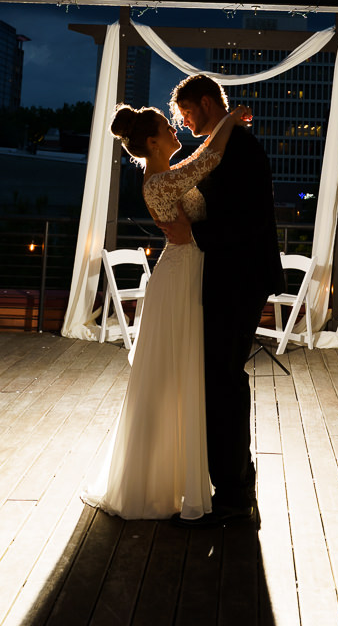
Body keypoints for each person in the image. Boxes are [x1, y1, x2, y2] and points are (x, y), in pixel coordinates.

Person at [81, 100, 248, 521]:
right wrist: (229, 120)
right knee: (173, 375)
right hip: (180, 277)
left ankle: (174, 475)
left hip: (187, 270)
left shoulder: (164, 176)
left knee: (180, 373)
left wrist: (222, 125)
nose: (177, 130)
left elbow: (196, 159)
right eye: (167, 128)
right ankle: (155, 481)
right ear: (153, 143)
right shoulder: (159, 183)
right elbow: (208, 159)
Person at [160, 73, 285, 528]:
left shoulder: (240, 148)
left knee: (222, 378)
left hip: (239, 276)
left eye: (187, 111)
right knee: (220, 377)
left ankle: (234, 493)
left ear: (208, 102)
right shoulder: (222, 144)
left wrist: (194, 232)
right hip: (229, 275)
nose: (184, 120)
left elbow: (246, 219)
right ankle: (234, 486)